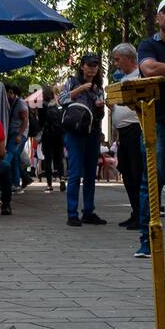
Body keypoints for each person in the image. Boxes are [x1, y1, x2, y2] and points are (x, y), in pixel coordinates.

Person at [135, 0, 165, 258]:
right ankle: (147, 239)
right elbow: (148, 69)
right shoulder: (149, 44)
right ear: (157, 18)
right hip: (157, 122)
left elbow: (158, 69)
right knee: (152, 180)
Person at [59, 52, 107, 227]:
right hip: (74, 132)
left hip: (92, 132)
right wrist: (81, 89)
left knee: (90, 174)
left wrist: (100, 107)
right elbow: (62, 99)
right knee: (74, 173)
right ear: (82, 66)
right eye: (89, 65)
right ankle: (72, 213)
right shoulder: (72, 82)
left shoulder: (99, 87)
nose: (92, 68)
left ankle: (88, 211)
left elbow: (100, 115)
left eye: (95, 65)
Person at [111, 43, 143, 231]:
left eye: (117, 59)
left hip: (135, 129)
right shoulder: (123, 79)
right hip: (123, 133)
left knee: (136, 173)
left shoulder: (140, 76)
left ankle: (141, 214)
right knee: (127, 173)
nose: (116, 63)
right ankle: (135, 212)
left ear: (128, 58)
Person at [38, 85, 65, 193]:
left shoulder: (42, 106)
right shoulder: (59, 104)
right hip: (59, 134)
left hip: (47, 135)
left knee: (48, 159)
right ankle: (62, 179)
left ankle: (49, 185)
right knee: (59, 157)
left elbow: (40, 122)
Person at [4, 84, 30, 190]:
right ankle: (19, 181)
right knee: (14, 157)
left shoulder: (20, 103)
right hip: (14, 133)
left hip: (18, 133)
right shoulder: (13, 102)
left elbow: (25, 119)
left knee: (9, 155)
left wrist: (20, 135)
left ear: (10, 92)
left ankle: (13, 182)